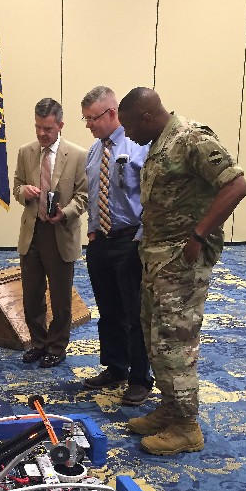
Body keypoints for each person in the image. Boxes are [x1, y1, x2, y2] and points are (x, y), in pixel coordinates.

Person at [118, 87, 246, 455]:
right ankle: (171, 410)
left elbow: (236, 185)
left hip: (182, 260)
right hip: (158, 259)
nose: (126, 134)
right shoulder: (161, 142)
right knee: (155, 336)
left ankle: (187, 428)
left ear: (146, 116)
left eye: (128, 125)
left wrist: (198, 234)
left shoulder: (191, 139)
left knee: (175, 341)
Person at [81, 86, 153, 405]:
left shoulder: (140, 145)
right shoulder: (95, 150)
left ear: (111, 114)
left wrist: (141, 237)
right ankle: (115, 367)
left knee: (135, 312)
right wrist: (93, 230)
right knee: (108, 310)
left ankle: (140, 377)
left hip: (130, 239)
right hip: (101, 242)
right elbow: (94, 196)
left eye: (92, 118)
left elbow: (149, 196)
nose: (88, 125)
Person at [13, 98, 88, 367]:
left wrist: (65, 212)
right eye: (38, 127)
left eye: (47, 128)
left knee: (60, 297)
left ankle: (57, 346)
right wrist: (24, 192)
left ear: (60, 125)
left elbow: (84, 196)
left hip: (61, 231)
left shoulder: (78, 155)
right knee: (31, 295)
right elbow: (17, 187)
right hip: (32, 232)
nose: (42, 134)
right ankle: (38, 342)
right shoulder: (26, 152)